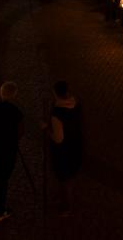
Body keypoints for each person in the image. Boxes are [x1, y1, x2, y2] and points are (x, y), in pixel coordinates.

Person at [0, 82, 24, 222]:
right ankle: (1, 211)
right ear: (14, 96)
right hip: (6, 151)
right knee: (3, 181)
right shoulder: (16, 113)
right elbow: (20, 132)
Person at [43, 81, 82, 215]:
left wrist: (47, 129)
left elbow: (58, 138)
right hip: (75, 145)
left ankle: (66, 206)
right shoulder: (75, 104)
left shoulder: (57, 114)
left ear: (55, 93)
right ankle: (63, 198)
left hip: (64, 152)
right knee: (67, 178)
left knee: (65, 179)